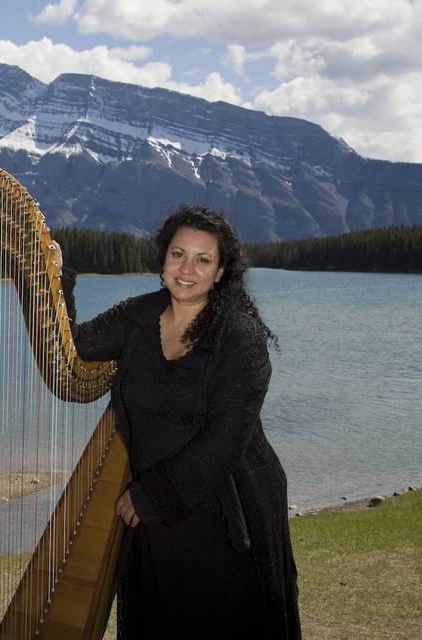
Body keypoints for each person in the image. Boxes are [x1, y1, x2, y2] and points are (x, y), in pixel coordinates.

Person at [55, 205, 300, 638]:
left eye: (203, 260)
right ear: (163, 258)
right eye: (178, 254)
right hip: (155, 509)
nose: (187, 269)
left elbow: (224, 440)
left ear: (222, 271)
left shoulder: (240, 338)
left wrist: (152, 495)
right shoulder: (138, 315)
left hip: (228, 512)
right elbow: (72, 347)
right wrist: (55, 278)